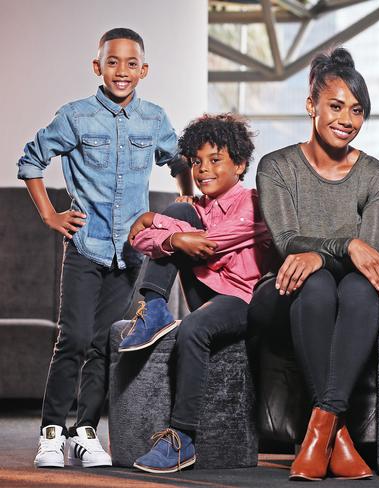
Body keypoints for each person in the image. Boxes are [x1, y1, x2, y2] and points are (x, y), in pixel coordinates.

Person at [18, 28, 193, 468]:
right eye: (112, 62)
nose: (122, 71)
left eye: (131, 63)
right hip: (85, 246)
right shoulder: (76, 117)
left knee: (102, 343)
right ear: (97, 67)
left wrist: (187, 196)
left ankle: (86, 431)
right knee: (74, 338)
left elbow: (177, 159)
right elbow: (31, 161)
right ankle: (52, 432)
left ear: (144, 70)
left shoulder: (154, 119)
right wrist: (50, 216)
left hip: (129, 251)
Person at [249, 47, 379, 481]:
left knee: (355, 286)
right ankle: (340, 436)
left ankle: (322, 430)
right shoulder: (277, 166)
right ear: (311, 105)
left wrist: (328, 252)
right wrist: (342, 245)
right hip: (286, 294)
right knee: (312, 284)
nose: (346, 119)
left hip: (360, 300)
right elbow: (287, 243)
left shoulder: (377, 176)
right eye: (335, 106)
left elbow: (368, 259)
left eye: (357, 111)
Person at [121, 113, 272, 473]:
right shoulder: (194, 210)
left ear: (240, 164)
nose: (204, 170)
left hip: (244, 300)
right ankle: (154, 307)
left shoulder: (255, 203)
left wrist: (154, 223)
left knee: (192, 328)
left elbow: (213, 242)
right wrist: (173, 234)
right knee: (179, 211)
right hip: (204, 294)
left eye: (216, 160)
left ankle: (182, 438)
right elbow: (139, 241)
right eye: (197, 162)